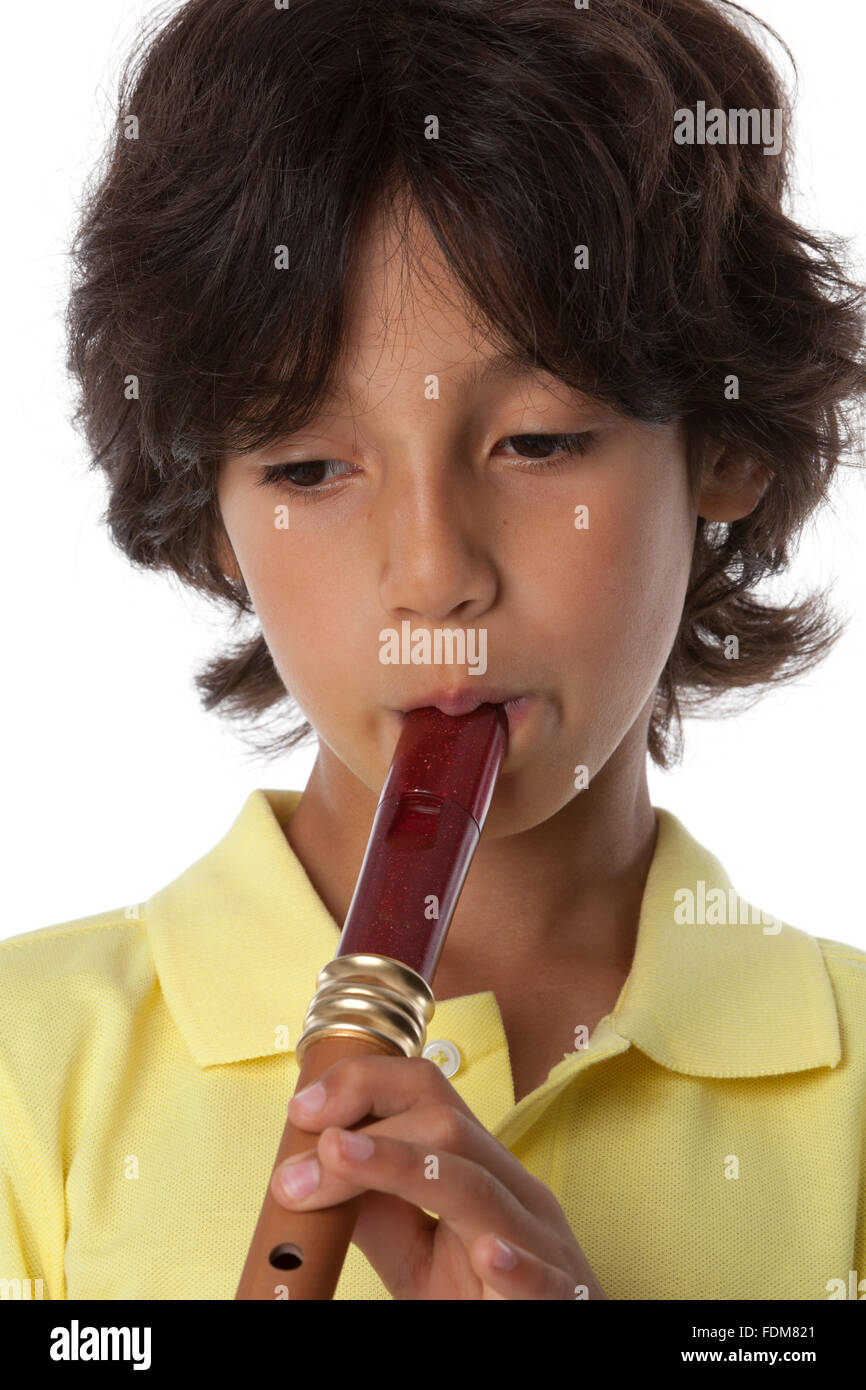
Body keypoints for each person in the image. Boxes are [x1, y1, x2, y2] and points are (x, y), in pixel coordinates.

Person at [2, 0, 865, 1301]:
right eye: (306, 465)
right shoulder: (24, 1066)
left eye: (535, 443)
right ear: (213, 523)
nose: (431, 574)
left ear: (726, 445)